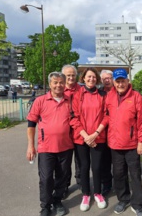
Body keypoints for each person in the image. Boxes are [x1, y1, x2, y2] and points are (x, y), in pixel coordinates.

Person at [26, 72, 74, 216]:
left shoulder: (70, 101)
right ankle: (45, 206)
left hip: (66, 146)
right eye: (55, 82)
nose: (58, 85)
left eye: (61, 82)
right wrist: (30, 146)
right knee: (46, 178)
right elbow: (31, 124)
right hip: (46, 147)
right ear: (50, 84)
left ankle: (57, 201)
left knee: (62, 177)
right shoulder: (40, 101)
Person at [105, 68, 142, 216]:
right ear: (114, 83)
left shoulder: (136, 97)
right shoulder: (109, 97)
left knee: (135, 175)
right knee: (118, 174)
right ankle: (123, 199)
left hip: (132, 145)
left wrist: (141, 141)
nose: (120, 84)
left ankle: (137, 204)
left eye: (123, 80)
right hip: (115, 144)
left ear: (128, 81)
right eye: (118, 81)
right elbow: (106, 117)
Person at [70, 67, 108, 212]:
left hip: (98, 137)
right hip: (81, 139)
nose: (91, 79)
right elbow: (73, 118)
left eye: (94, 77)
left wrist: (96, 134)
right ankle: (86, 194)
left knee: (97, 167)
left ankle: (98, 193)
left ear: (97, 79)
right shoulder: (77, 95)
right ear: (83, 78)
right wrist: (86, 136)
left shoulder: (103, 95)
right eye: (89, 77)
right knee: (84, 167)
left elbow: (107, 116)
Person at [61, 64, 81, 198]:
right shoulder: (59, 90)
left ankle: (81, 183)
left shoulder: (82, 90)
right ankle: (64, 186)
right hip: (65, 133)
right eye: (68, 75)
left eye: (73, 75)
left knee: (80, 160)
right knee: (65, 162)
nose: (71, 77)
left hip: (79, 131)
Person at [99, 69, 113, 196]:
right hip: (103, 133)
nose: (107, 80)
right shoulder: (99, 93)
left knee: (119, 163)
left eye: (109, 78)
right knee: (105, 162)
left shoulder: (118, 91)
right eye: (104, 79)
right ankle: (107, 184)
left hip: (117, 133)